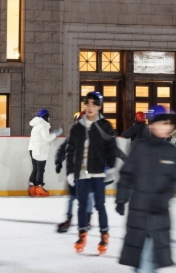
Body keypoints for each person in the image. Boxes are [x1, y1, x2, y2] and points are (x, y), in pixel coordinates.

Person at [115, 105, 176, 273]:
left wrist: (162, 199)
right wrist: (121, 199)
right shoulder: (140, 148)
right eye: (163, 123)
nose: (168, 127)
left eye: (169, 123)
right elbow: (126, 174)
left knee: (151, 259)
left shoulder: (171, 151)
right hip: (139, 213)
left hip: (159, 215)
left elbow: (173, 180)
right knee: (142, 259)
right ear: (152, 125)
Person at [65, 91, 118, 255]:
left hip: (98, 173)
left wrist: (111, 168)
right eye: (87, 104)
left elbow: (112, 149)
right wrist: (70, 172)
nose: (90, 107)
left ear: (99, 107)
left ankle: (104, 235)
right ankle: (82, 235)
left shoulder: (105, 126)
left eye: (94, 104)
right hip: (81, 173)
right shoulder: (77, 128)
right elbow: (70, 151)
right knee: (82, 206)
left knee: (100, 205)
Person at [55, 112, 83, 233]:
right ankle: (69, 218)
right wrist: (58, 161)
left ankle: (86, 218)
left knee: (86, 198)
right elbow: (63, 149)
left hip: (86, 172)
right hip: (73, 172)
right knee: (72, 197)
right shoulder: (73, 136)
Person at [28, 109, 62, 197]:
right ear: (44, 117)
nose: (49, 118)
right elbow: (46, 138)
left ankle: (32, 188)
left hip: (32, 149)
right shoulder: (43, 126)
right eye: (48, 116)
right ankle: (39, 188)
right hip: (40, 150)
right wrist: (55, 134)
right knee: (40, 169)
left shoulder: (36, 126)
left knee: (35, 169)